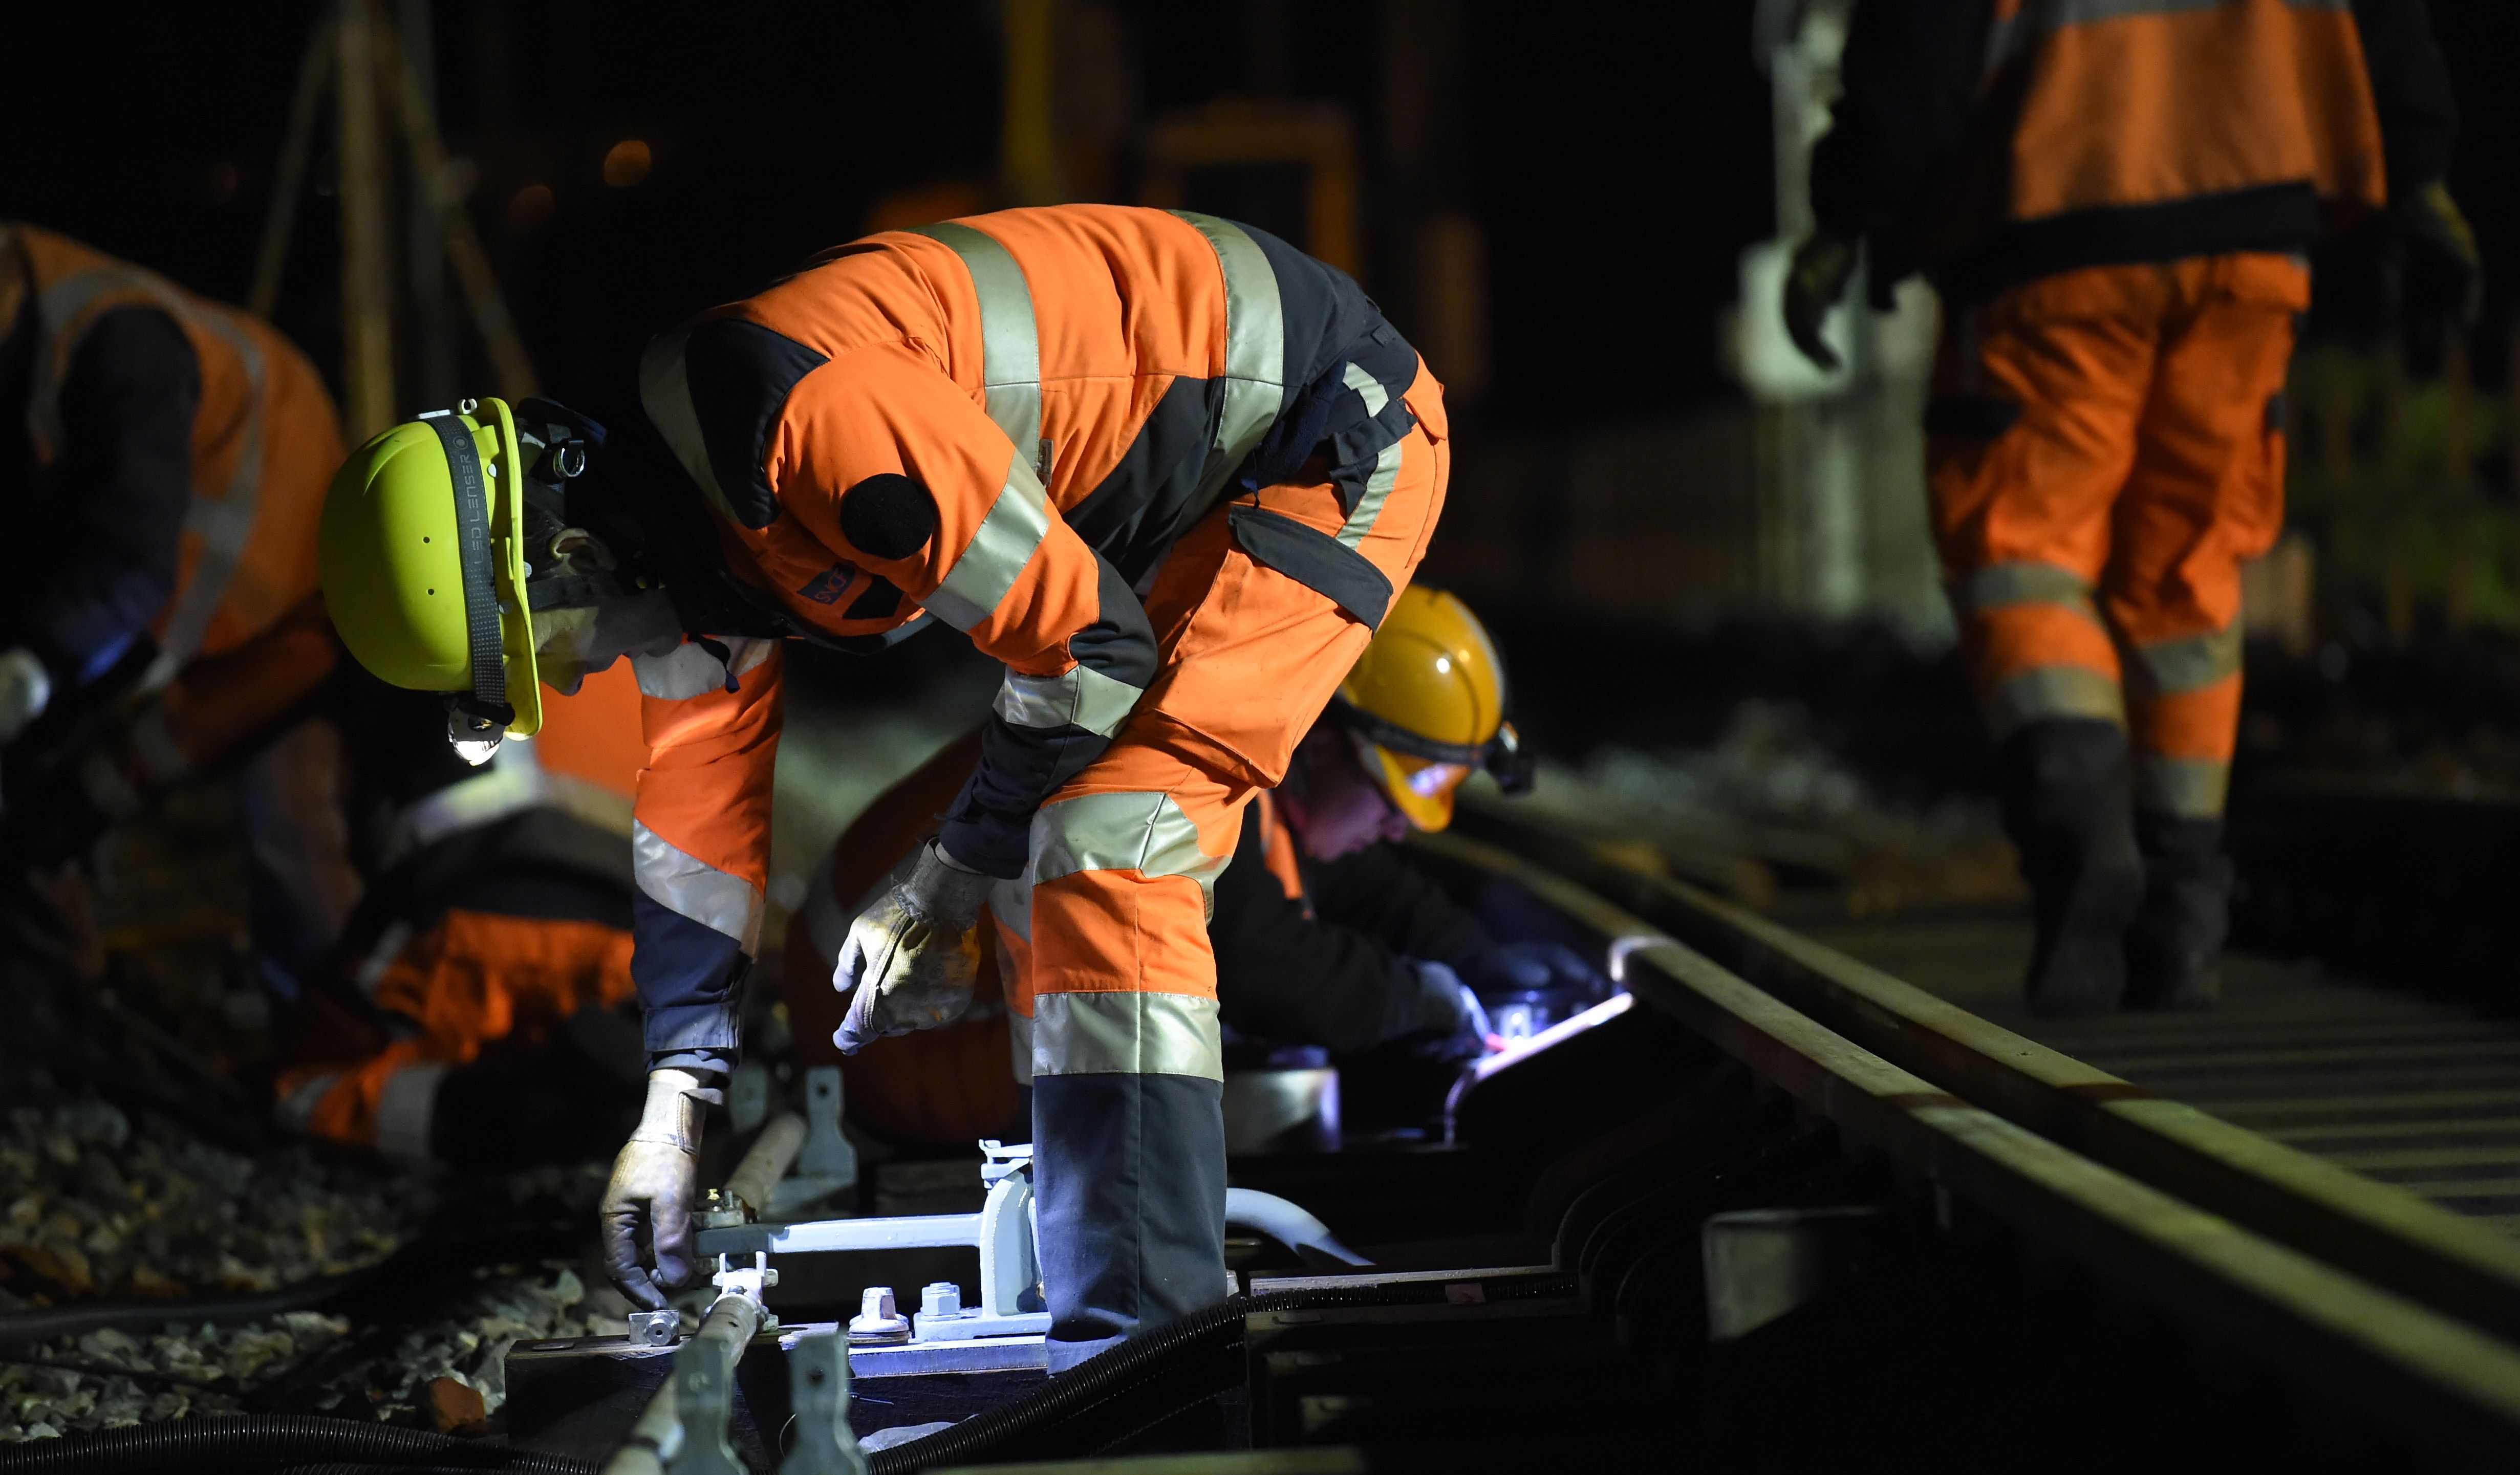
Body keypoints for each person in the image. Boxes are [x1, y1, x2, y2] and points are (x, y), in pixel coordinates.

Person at [318, 205, 1447, 1365]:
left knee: (1116, 833)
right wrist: (672, 1111)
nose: (589, 668)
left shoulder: (808, 428)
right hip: (1201, 478)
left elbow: (1088, 647)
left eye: (557, 646)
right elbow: (700, 843)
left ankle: (1143, 1345)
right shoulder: (684, 542)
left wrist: (944, 879)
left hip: (1329, 431)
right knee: (1069, 821)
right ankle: (1126, 1298)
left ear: (564, 556)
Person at [1783, 0, 2469, 1012]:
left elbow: (1920, 41)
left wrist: (1850, 214)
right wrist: (2416, 175)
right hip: (2255, 225)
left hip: (2055, 214)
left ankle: (2079, 818)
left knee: (2020, 549)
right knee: (2190, 574)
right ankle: (2184, 907)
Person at [786, 585, 1586, 1144]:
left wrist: (1481, 961)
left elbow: (1360, 885)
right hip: (900, 1048)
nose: (1398, 828)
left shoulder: (1246, 754)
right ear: (1327, 738)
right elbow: (1264, 962)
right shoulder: (1186, 761)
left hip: (900, 1022)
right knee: (1209, 1046)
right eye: (1392, 792)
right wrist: (1433, 1003)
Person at [0, 224, 361, 991]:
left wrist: (26, 676)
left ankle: (346, 1057)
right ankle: (54, 1018)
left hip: (288, 593)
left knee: (288, 838)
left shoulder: (121, 346)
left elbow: (129, 571)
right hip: (178, 617)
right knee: (44, 807)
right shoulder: (33, 341)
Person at [270, 673, 645, 1170]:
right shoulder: (689, 622)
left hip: (473, 922)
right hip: (641, 952)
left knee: (304, 1090)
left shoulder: (443, 602)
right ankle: (582, 1103)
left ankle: (503, 1114)